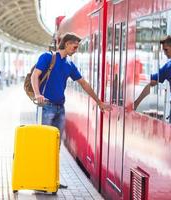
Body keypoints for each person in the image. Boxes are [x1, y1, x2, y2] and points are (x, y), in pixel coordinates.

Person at [31, 33, 111, 188]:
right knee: (44, 144)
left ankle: (53, 179)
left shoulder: (69, 64)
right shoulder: (48, 57)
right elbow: (35, 75)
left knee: (56, 145)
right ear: (66, 44)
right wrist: (37, 94)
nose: (76, 49)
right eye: (74, 46)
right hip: (46, 106)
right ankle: (39, 179)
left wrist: (99, 102)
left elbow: (83, 84)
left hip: (60, 108)